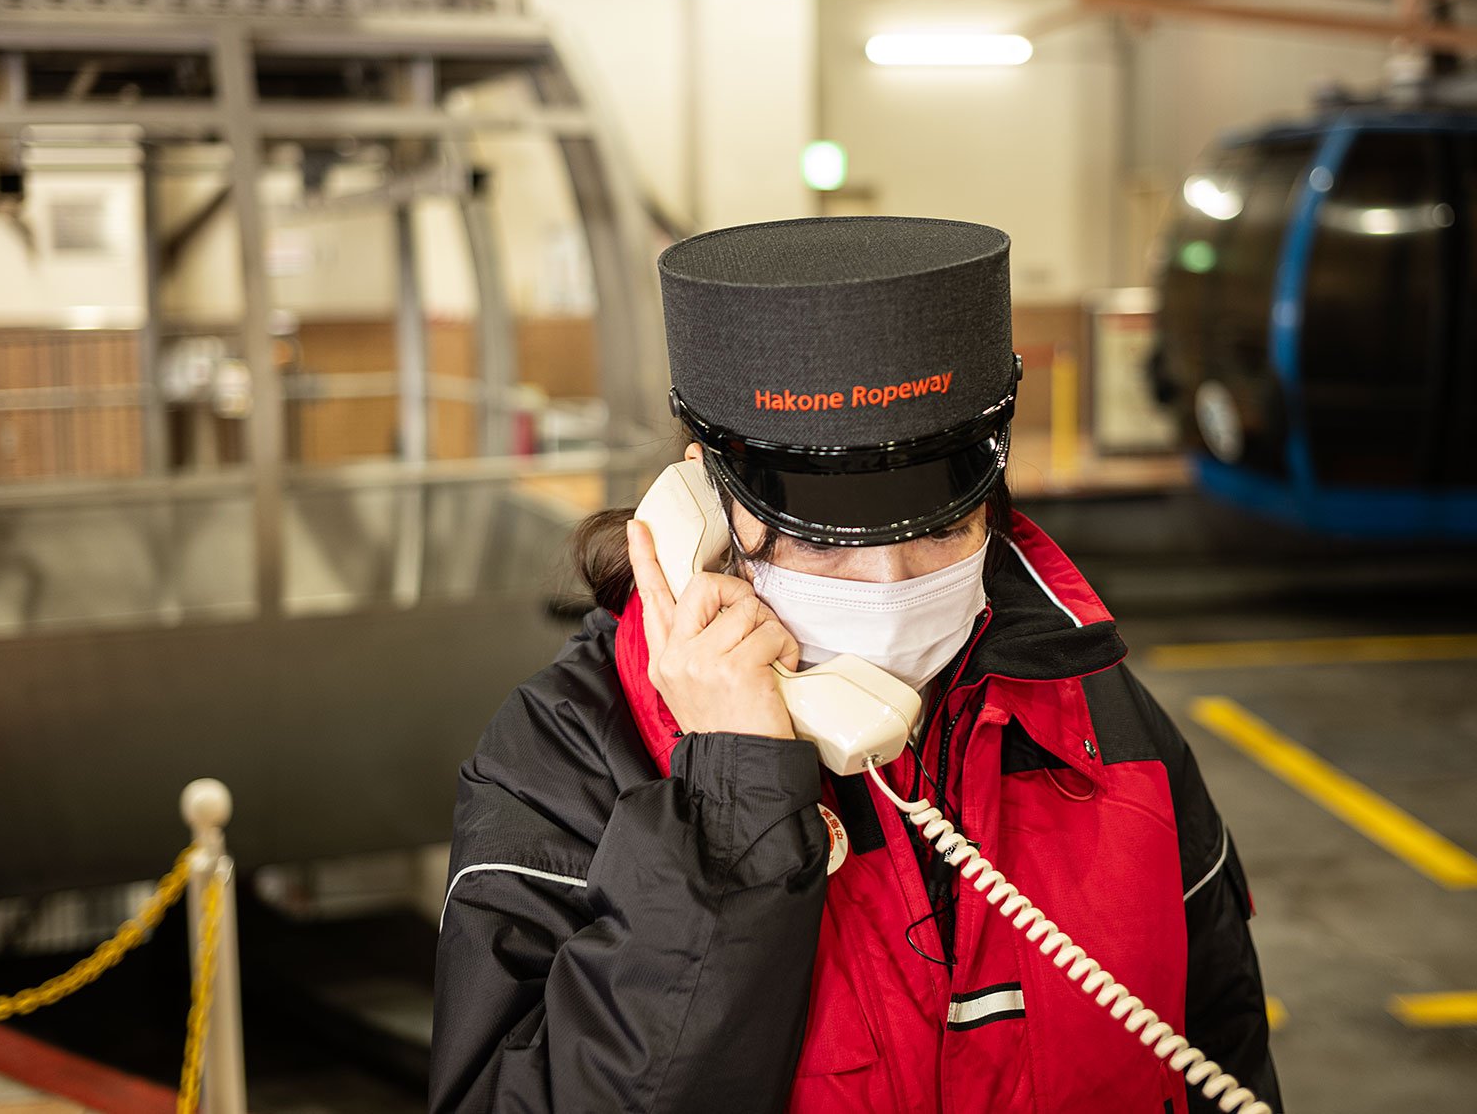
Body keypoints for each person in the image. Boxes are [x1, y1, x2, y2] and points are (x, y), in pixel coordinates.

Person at [430, 218, 1279, 1114]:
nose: (890, 580)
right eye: (824, 540)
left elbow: (1220, 1048)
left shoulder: (1104, 719)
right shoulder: (562, 758)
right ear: (705, 507)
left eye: (941, 526)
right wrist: (731, 804)